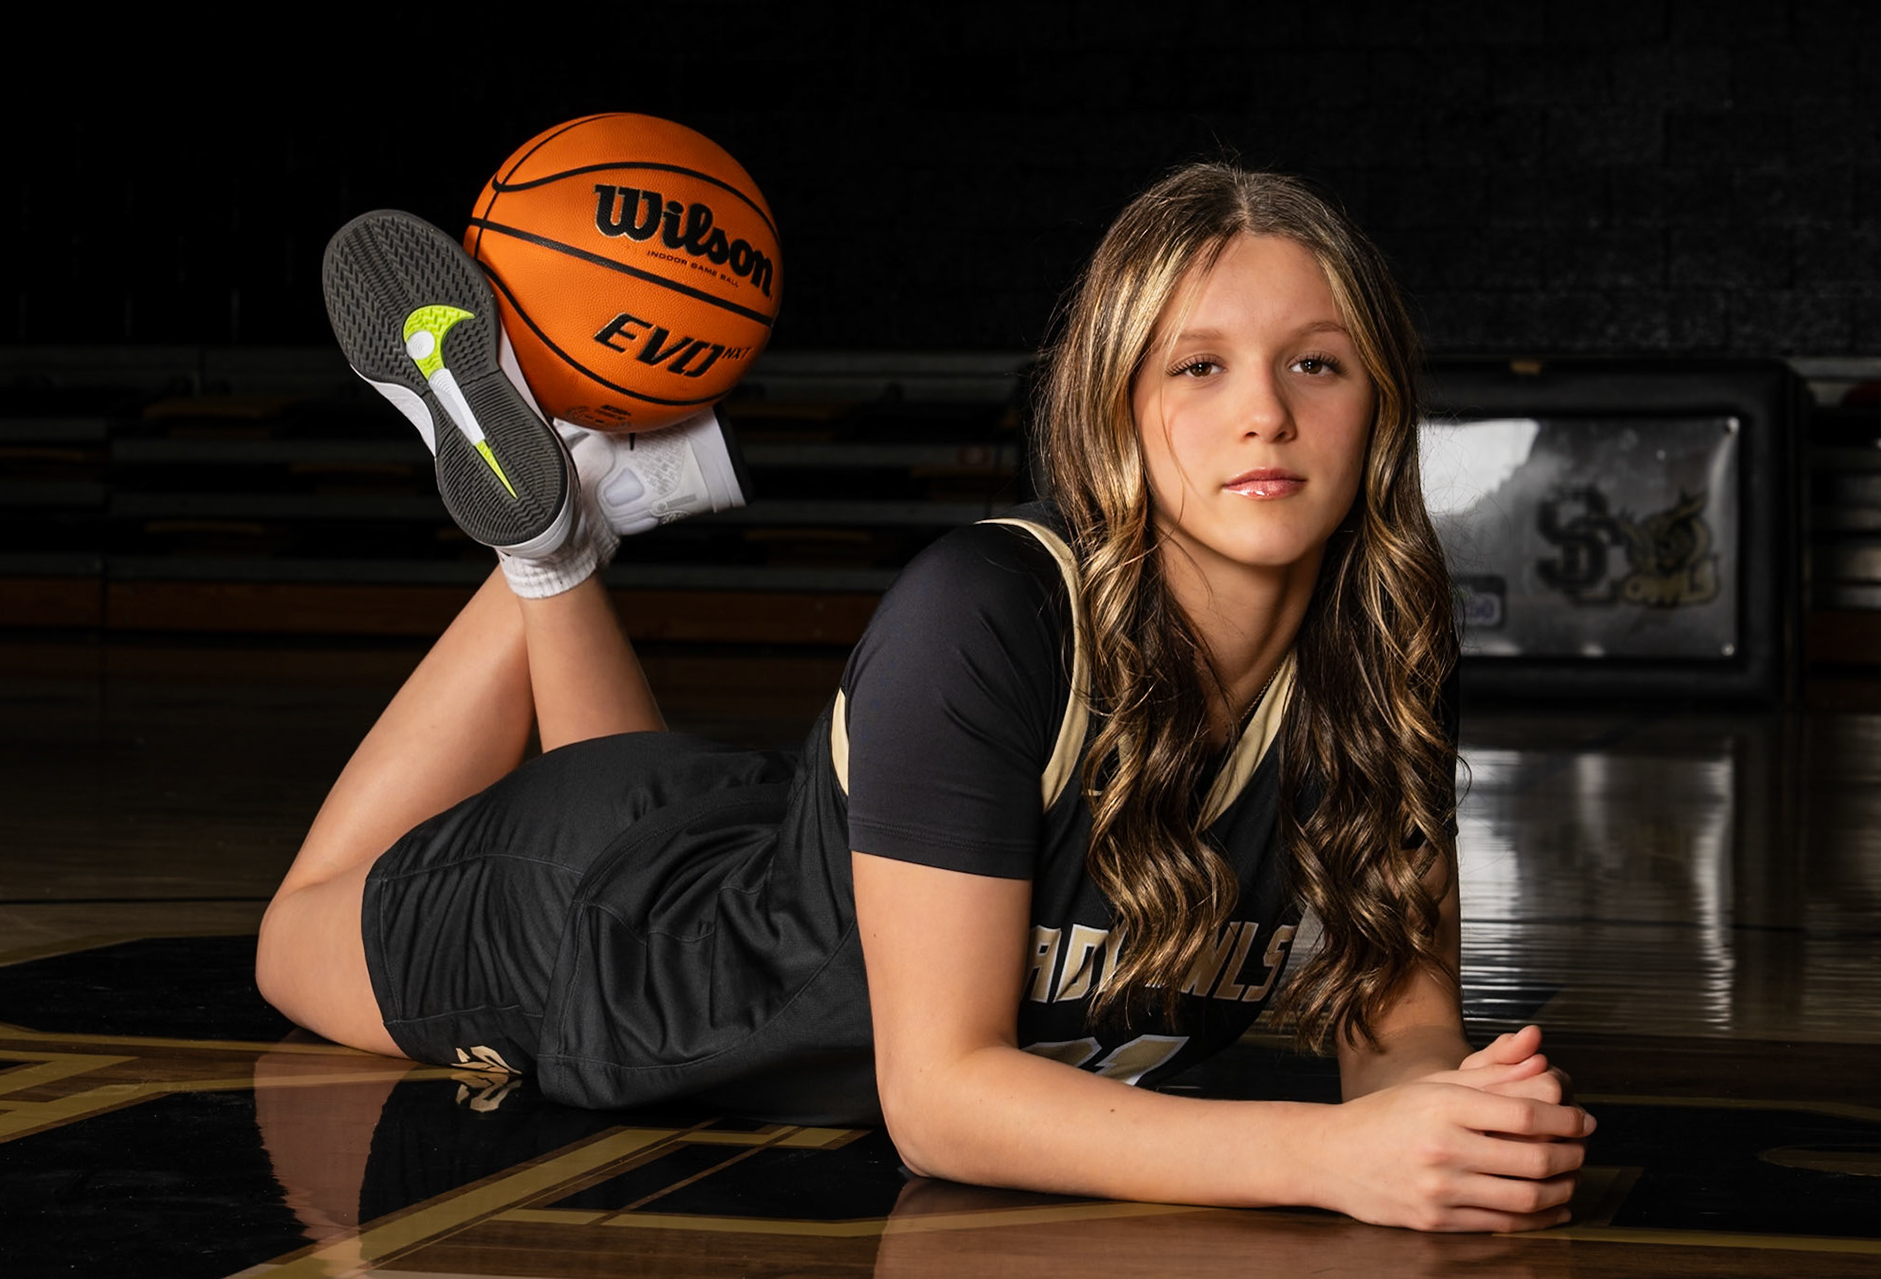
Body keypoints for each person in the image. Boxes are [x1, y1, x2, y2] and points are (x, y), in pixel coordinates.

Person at [257, 162, 1593, 1233]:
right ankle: (552, 543)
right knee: (287, 942)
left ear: (1380, 402)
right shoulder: (988, 607)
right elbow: (941, 1104)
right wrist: (1332, 1157)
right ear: (1115, 406)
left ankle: (575, 514)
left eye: (1317, 362)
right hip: (588, 941)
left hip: (763, 857)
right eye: (1199, 365)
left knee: (719, 878)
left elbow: (1400, 1018)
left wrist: (1451, 1123)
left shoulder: (1383, 645)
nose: (1267, 415)